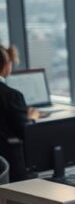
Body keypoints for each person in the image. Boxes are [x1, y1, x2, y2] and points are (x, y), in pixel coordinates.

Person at [0, 46, 39, 181]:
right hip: (11, 168)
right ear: (7, 65)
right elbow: (24, 132)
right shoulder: (12, 96)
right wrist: (31, 118)